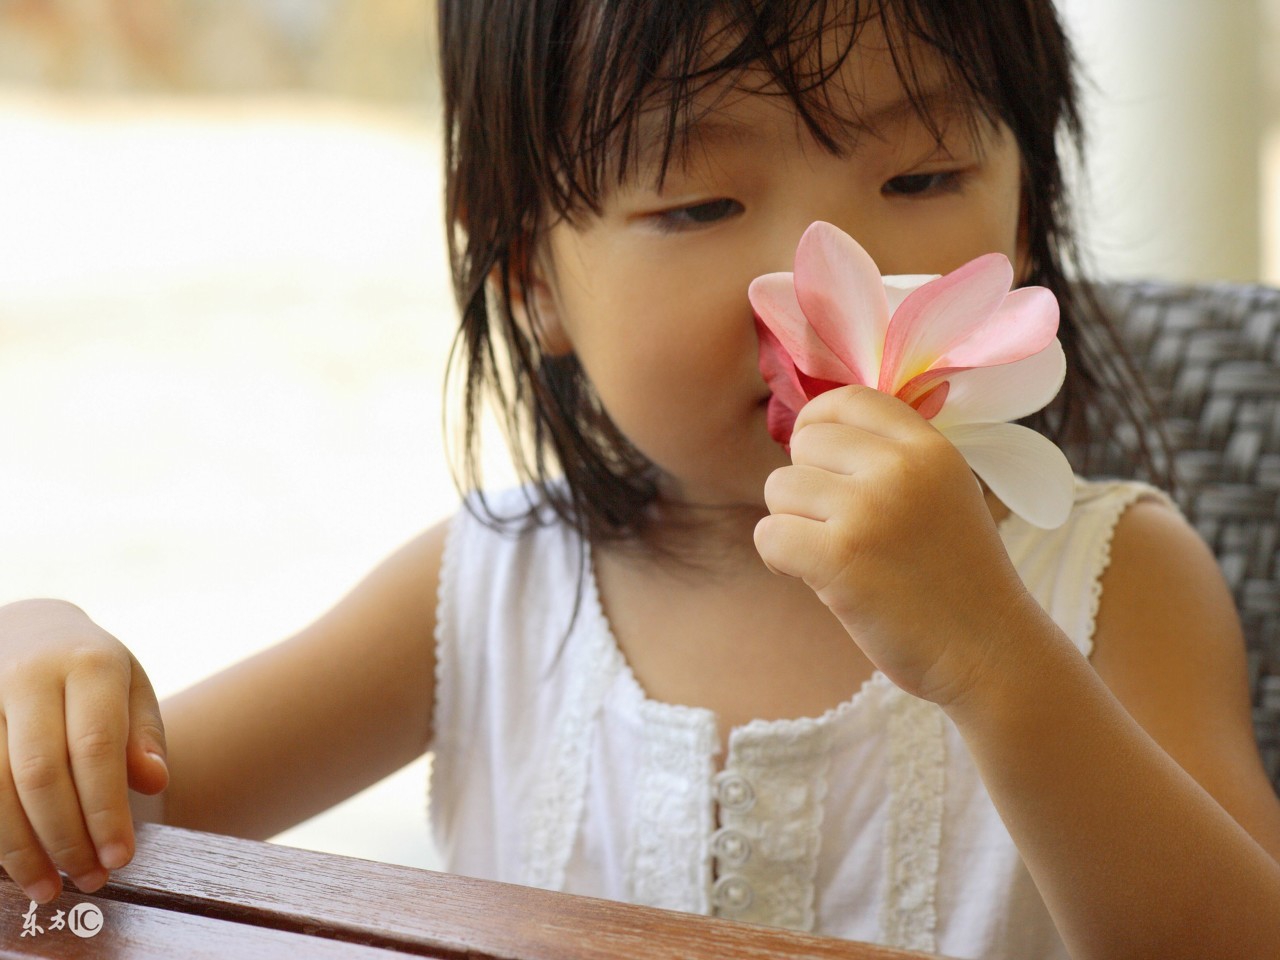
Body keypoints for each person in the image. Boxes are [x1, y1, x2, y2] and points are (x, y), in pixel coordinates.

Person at [2, 1, 1279, 957]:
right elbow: (96, 851)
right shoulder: (484, 591)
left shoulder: (1110, 580)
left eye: (920, 178)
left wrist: (992, 658)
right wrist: (45, 676)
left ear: (1020, 220)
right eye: (699, 205)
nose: (817, 274)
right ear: (528, 278)